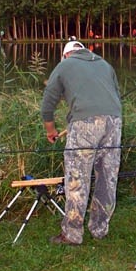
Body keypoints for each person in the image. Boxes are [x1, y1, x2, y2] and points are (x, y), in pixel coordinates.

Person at [41, 41, 122, 245]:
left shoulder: (65, 65)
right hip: (114, 121)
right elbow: (116, 95)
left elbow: (48, 101)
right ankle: (99, 228)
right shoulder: (104, 64)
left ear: (66, 55)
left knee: (77, 177)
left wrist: (51, 130)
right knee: (107, 176)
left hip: (85, 124)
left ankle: (72, 234)